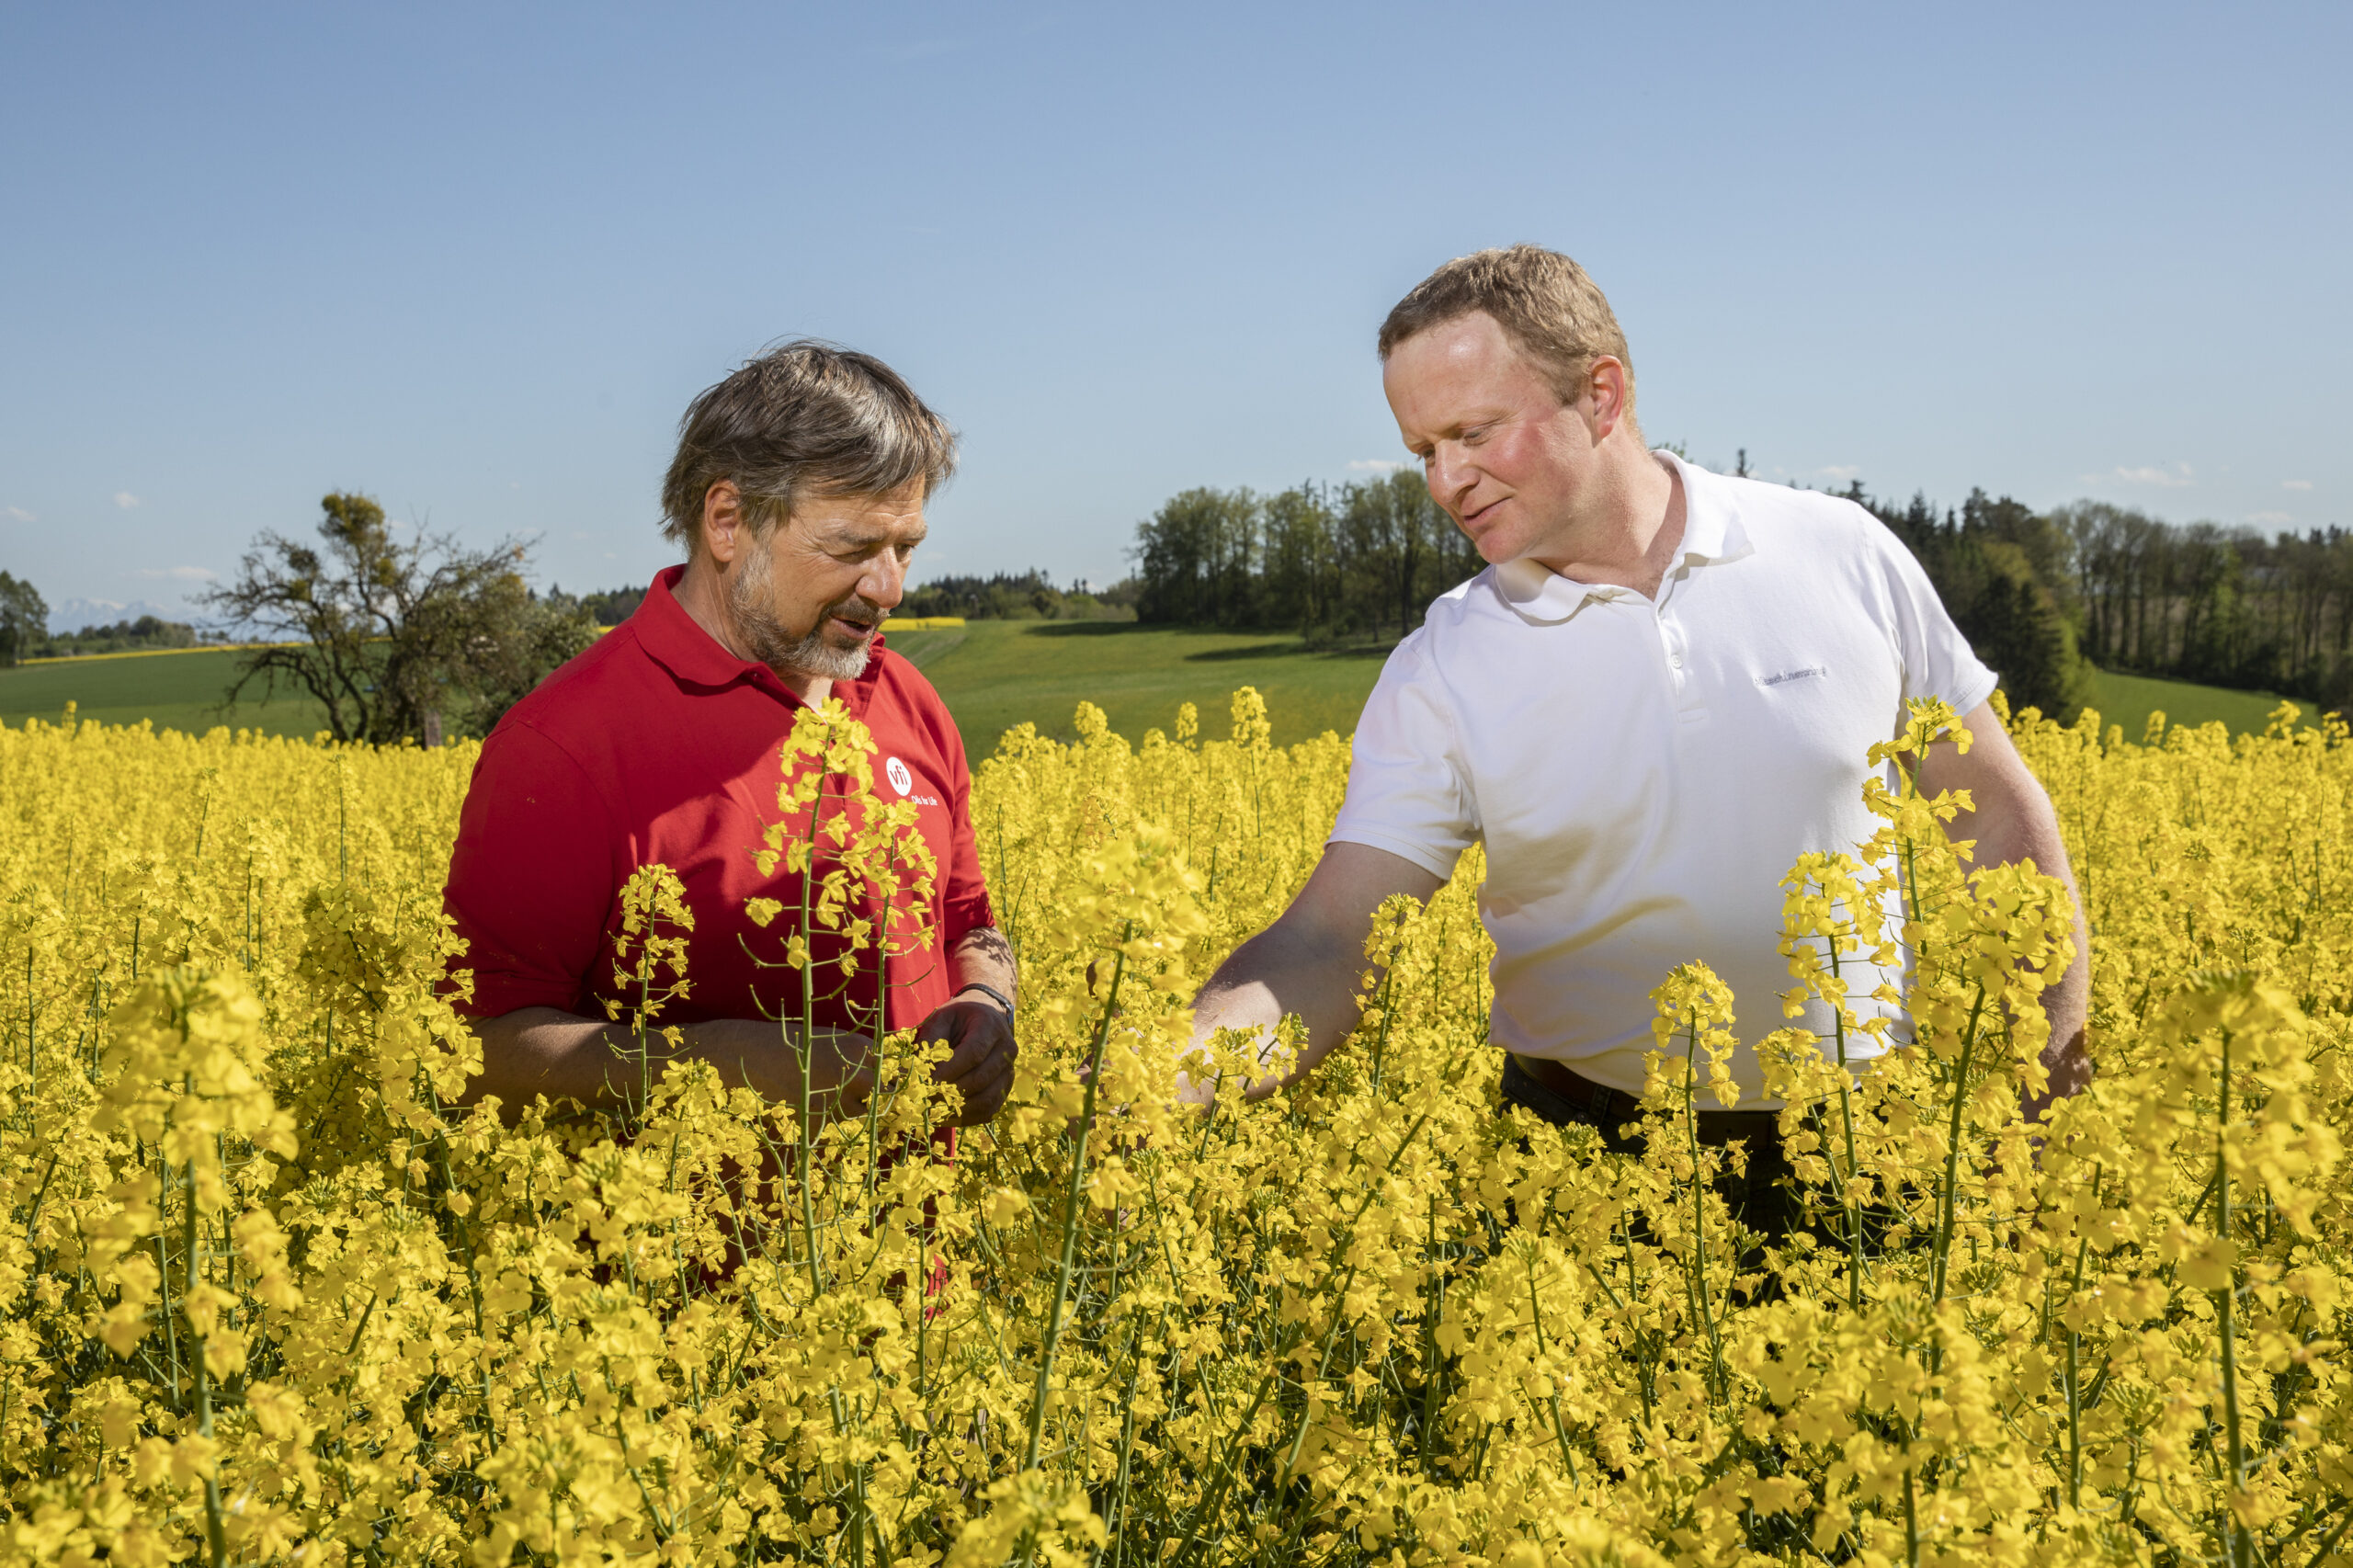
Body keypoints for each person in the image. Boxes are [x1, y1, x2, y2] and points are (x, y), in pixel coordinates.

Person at [1189, 245, 2090, 1232]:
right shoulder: (1442, 661)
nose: (1446, 480)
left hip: (1867, 1149)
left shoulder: (1842, 554)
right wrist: (1177, 1070)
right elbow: (1330, 937)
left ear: (1602, 395)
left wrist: (2040, 1091)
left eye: (1472, 432)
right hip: (1583, 1169)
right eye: (1422, 451)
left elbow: (1998, 816)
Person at [442, 342, 1017, 1129]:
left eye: (905, 548)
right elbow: (467, 1052)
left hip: (920, 1247)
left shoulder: (906, 696)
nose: (889, 589)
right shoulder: (565, 745)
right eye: (852, 548)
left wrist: (988, 998)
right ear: (727, 520)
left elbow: (967, 917)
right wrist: (719, 1062)